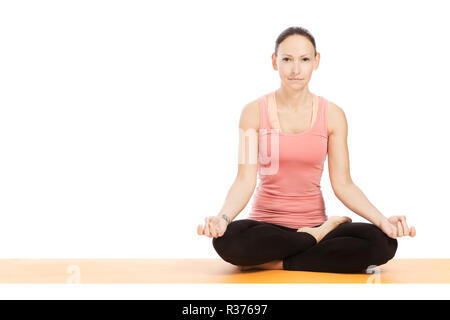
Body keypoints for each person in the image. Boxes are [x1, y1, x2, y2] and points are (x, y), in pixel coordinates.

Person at [197, 26, 416, 273]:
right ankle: (316, 240)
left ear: (316, 61)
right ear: (274, 61)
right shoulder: (253, 113)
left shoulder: (333, 115)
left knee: (383, 243)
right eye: (287, 59)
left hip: (312, 222)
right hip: (265, 228)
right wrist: (222, 219)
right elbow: (244, 179)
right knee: (227, 241)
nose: (295, 69)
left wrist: (382, 221)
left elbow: (343, 183)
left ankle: (283, 259)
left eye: (304, 59)